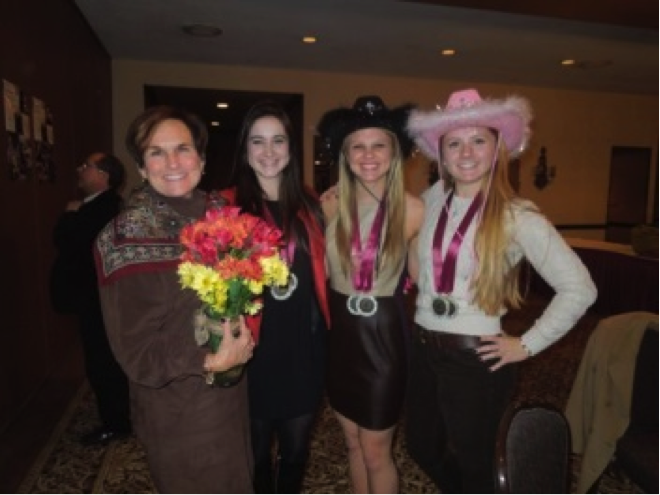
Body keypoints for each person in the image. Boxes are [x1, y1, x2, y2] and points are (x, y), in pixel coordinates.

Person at [405, 87, 598, 494]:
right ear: (441, 154)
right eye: (454, 143)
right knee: (422, 447)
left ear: (498, 149)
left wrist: (526, 345)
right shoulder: (431, 199)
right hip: (422, 347)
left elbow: (580, 289)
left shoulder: (518, 215)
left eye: (479, 140)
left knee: (478, 466)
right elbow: (416, 260)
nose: (467, 152)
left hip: (476, 358)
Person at [93, 105, 255, 495]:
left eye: (182, 148)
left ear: (200, 158)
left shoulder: (222, 217)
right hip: (179, 411)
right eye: (156, 152)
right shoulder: (124, 236)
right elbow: (136, 353)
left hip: (232, 398)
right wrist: (208, 354)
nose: (172, 162)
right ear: (142, 167)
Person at [219, 100, 331, 495]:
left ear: (290, 148)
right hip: (253, 351)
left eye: (278, 140)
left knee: (297, 450)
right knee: (255, 454)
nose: (269, 151)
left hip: (305, 347)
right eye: (258, 141)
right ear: (245, 149)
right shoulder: (225, 207)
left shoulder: (311, 205)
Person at [317, 95, 424, 495]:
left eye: (378, 145)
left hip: (383, 340)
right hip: (340, 336)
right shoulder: (329, 206)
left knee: (377, 452)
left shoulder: (414, 210)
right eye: (357, 146)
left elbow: (423, 277)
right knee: (352, 445)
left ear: (395, 152)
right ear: (345, 155)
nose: (368, 155)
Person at [50, 151, 131, 446]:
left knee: (102, 362)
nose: (79, 169)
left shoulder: (104, 208)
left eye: (87, 166)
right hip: (92, 296)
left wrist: (70, 213)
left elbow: (67, 241)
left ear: (103, 176)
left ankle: (116, 422)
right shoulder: (98, 205)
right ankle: (115, 415)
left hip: (97, 297)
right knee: (100, 359)